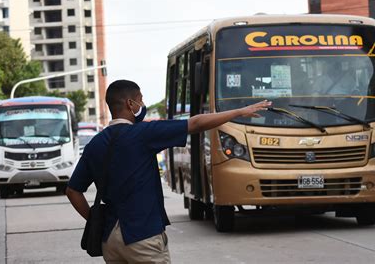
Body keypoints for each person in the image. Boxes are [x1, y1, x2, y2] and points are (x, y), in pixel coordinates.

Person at [66, 79, 271, 263]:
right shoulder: (144, 134)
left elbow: (73, 191)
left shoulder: (95, 144)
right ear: (130, 104)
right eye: (141, 100)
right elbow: (196, 123)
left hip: (110, 240)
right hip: (142, 235)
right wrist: (238, 112)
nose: (143, 105)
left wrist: (95, 221)